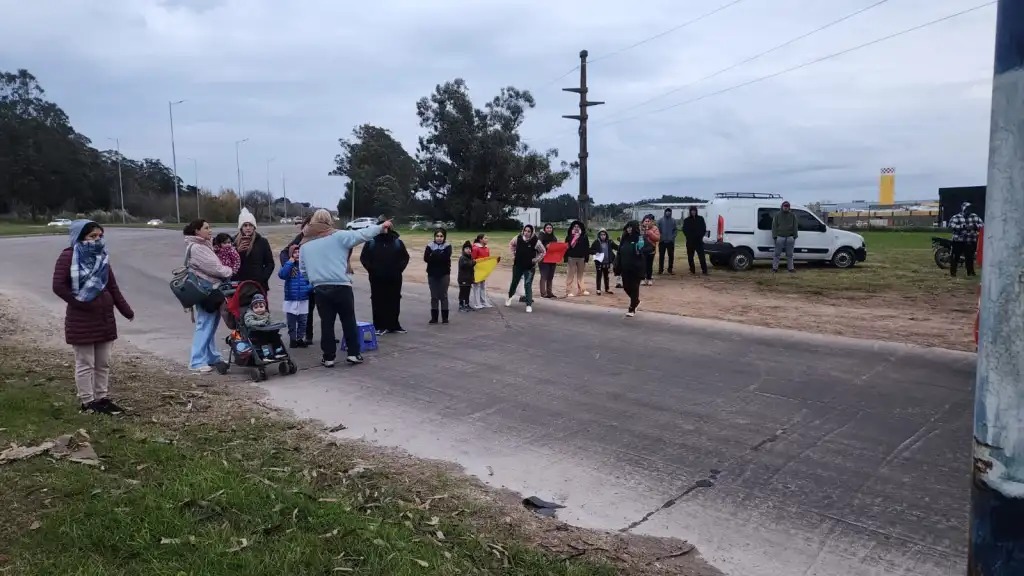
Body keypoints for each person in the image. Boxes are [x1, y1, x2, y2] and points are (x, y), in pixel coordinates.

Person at [52, 220, 134, 414]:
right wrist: (82, 303)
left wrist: (125, 310)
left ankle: (101, 398)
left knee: (103, 362)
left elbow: (112, 286)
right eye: (92, 236)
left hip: (104, 318)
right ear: (80, 237)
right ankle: (87, 402)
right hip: (82, 319)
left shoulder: (102, 257)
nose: (97, 240)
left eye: (99, 236)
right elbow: (58, 286)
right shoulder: (69, 256)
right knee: (85, 363)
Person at [300, 209, 391, 367]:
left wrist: (313, 281)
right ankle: (353, 353)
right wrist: (381, 227)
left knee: (326, 323)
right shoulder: (339, 236)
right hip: (341, 285)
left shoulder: (305, 245)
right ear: (330, 221)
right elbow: (362, 234)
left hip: (320, 288)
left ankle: (328, 357)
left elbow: (303, 270)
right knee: (348, 320)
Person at [182, 219, 232, 374]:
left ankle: (211, 356)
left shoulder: (202, 245)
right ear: (197, 231)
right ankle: (196, 361)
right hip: (206, 290)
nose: (210, 231)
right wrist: (228, 270)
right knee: (204, 324)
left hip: (210, 289)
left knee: (211, 324)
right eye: (206, 228)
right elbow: (215, 268)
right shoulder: (198, 248)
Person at [359, 221, 410, 335]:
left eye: (387, 227)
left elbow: (405, 257)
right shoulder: (371, 242)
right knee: (378, 301)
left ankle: (394, 325)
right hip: (376, 278)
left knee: (395, 300)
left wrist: (398, 269)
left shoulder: (397, 242)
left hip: (394, 277)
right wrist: (372, 270)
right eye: (383, 227)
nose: (385, 229)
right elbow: (364, 258)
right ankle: (379, 326)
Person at [285, 215, 316, 345]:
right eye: (306, 225)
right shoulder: (299, 240)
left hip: (315, 278)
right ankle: (302, 337)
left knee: (321, 309)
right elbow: (284, 252)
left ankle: (320, 334)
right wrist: (289, 266)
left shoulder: (320, 239)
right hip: (301, 281)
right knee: (304, 312)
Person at [506, 224, 546, 313]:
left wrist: (535, 260)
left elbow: (543, 252)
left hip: (529, 267)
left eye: (529, 231)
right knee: (514, 282)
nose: (526, 233)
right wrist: (513, 256)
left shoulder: (536, 241)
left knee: (527, 285)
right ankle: (509, 297)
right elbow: (511, 245)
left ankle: (528, 304)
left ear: (532, 232)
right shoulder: (518, 238)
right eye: (525, 231)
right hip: (518, 265)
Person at [278, 244, 312, 348]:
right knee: (291, 321)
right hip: (291, 298)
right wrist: (289, 263)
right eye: (295, 252)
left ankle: (300, 338)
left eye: (299, 252)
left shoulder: (306, 266)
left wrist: (307, 289)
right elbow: (282, 275)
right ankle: (293, 339)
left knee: (303, 321)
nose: (297, 254)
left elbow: (312, 279)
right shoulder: (288, 265)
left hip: (303, 298)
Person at [233, 207, 275, 291]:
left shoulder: (262, 242)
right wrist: (237, 252)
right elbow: (229, 263)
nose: (248, 228)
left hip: (258, 285)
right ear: (241, 227)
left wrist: (263, 278)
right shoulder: (233, 241)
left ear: (254, 227)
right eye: (245, 225)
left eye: (250, 225)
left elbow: (270, 263)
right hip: (239, 284)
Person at [613, 220, 645, 317]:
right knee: (626, 287)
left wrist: (640, 247)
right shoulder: (624, 238)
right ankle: (636, 301)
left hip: (636, 267)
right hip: (625, 267)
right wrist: (617, 265)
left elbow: (643, 249)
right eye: (628, 227)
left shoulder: (639, 238)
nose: (629, 229)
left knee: (634, 287)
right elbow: (619, 252)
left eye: (631, 227)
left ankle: (632, 308)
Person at [424, 228, 453, 324]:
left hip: (444, 274)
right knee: (434, 296)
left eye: (441, 236)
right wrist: (438, 255)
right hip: (432, 274)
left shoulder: (447, 246)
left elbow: (445, 258)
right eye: (437, 236)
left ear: (444, 237)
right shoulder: (429, 245)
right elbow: (426, 258)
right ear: (434, 237)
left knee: (443, 295)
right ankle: (434, 318)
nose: (439, 238)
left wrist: (434, 255)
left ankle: (445, 318)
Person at [948, 201, 983, 278]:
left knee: (969, 257)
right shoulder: (956, 217)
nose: (969, 210)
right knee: (955, 257)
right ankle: (953, 273)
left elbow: (982, 225)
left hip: (970, 240)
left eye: (970, 209)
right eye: (967, 209)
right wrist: (962, 227)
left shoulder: (975, 216)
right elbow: (951, 226)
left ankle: (970, 272)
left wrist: (975, 226)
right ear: (963, 209)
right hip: (958, 241)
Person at [563, 220, 590, 297]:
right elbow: (566, 248)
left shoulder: (584, 236)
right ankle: (568, 291)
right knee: (570, 275)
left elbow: (586, 248)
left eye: (578, 227)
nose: (576, 228)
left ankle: (582, 290)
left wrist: (586, 258)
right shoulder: (569, 236)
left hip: (581, 258)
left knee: (580, 275)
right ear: (572, 227)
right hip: (571, 258)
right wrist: (565, 258)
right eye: (575, 226)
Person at [771, 201, 798, 273]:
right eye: (785, 206)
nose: (786, 208)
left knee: (790, 254)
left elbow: (795, 226)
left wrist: (795, 236)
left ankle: (791, 268)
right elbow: (774, 226)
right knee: (777, 253)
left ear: (789, 207)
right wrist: (774, 236)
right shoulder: (777, 215)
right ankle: (775, 268)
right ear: (782, 206)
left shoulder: (792, 215)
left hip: (790, 237)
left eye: (787, 206)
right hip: (779, 237)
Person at [469, 234, 495, 308]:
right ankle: (477, 303)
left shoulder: (487, 248)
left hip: (483, 271)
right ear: (480, 240)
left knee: (483, 286)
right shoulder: (475, 248)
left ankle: (484, 302)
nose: (487, 239)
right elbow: (473, 259)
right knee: (476, 287)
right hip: (477, 270)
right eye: (485, 238)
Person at [590, 228, 618, 295]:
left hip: (607, 262)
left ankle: (607, 288)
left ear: (606, 235)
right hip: (599, 262)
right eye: (601, 235)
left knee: (606, 276)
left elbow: (617, 247)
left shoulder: (610, 242)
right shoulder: (596, 242)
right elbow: (590, 250)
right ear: (599, 235)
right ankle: (598, 289)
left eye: (604, 234)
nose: (603, 236)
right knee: (599, 275)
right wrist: (595, 252)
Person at [682, 206, 709, 275]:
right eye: (692, 211)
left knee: (702, 257)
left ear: (696, 211)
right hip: (690, 241)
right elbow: (684, 230)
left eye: (694, 210)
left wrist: (700, 236)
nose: (693, 212)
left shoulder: (700, 219)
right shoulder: (687, 220)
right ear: (690, 212)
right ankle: (692, 270)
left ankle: (704, 270)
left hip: (699, 241)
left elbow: (704, 228)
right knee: (690, 257)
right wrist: (689, 237)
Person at [536, 223, 558, 299]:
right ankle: (543, 293)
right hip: (543, 259)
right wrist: (546, 246)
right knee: (544, 276)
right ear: (545, 229)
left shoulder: (554, 238)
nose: (549, 229)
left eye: (550, 228)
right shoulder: (541, 236)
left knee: (550, 277)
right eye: (547, 228)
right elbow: (538, 245)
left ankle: (549, 292)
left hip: (552, 259)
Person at [641, 214, 662, 285]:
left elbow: (657, 238)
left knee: (649, 265)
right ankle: (642, 279)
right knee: (642, 265)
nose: (647, 222)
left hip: (651, 249)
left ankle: (649, 278)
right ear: (643, 222)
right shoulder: (640, 229)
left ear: (651, 222)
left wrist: (650, 233)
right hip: (642, 250)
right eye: (645, 221)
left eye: (648, 221)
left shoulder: (655, 228)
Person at [657, 208, 678, 275]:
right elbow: (658, 230)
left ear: (671, 213)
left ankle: (670, 269)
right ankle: (660, 270)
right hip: (662, 242)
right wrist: (660, 237)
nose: (668, 213)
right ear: (665, 212)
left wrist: (672, 237)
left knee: (671, 256)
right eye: (667, 211)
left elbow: (675, 230)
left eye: (669, 212)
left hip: (670, 242)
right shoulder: (660, 220)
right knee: (661, 256)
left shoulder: (673, 221)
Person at [457, 241, 476, 312]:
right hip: (463, 279)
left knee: (467, 292)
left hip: (469, 279)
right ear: (463, 250)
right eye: (467, 248)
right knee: (463, 292)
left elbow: (471, 268)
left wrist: (472, 278)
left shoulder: (470, 258)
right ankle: (461, 305)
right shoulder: (462, 258)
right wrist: (473, 262)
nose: (469, 250)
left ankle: (467, 304)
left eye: (470, 249)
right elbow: (465, 265)